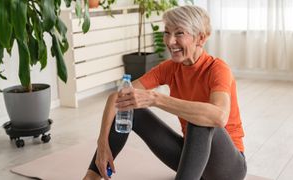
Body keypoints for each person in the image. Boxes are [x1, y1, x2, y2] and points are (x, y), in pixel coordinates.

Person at [83, 5, 247, 180]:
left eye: (179, 33)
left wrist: (156, 99)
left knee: (200, 120)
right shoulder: (170, 68)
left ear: (201, 38)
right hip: (193, 158)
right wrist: (102, 143)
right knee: (129, 106)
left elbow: (219, 116)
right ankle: (91, 178)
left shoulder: (217, 69)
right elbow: (117, 97)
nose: (169, 41)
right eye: (167, 32)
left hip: (228, 169)